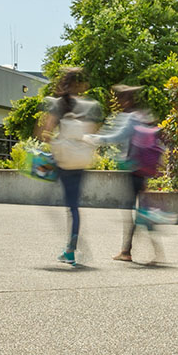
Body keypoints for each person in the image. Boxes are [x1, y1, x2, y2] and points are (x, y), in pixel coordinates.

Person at [84, 84, 166, 264]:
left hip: (134, 170)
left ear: (126, 100)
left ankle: (128, 251)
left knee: (132, 212)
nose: (117, 102)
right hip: (142, 170)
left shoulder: (129, 118)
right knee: (139, 211)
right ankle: (134, 249)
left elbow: (117, 136)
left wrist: (95, 139)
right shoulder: (142, 116)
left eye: (119, 99)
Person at [38, 67, 102, 266]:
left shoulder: (58, 104)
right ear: (82, 85)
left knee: (55, 201)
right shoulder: (89, 106)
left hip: (64, 161)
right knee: (74, 206)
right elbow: (91, 132)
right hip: (80, 161)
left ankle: (70, 250)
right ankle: (71, 248)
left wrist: (57, 141)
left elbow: (45, 133)